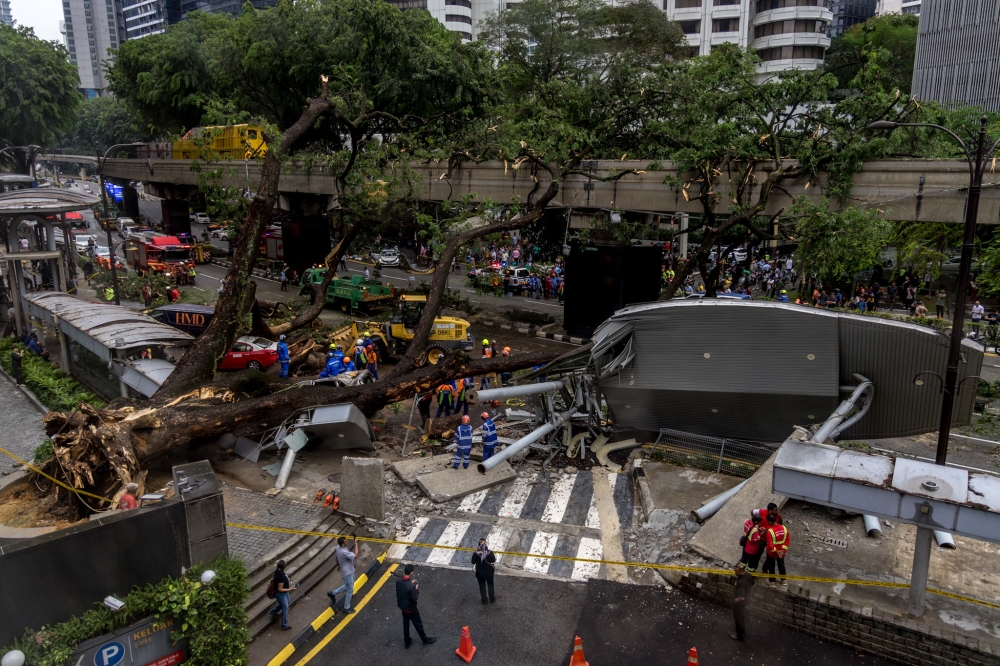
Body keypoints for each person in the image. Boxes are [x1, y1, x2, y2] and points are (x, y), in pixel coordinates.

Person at [395, 564, 436, 649]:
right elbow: (415, 597)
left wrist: (410, 584)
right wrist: (416, 589)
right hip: (411, 609)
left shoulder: (398, 581)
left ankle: (407, 642)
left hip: (403, 607)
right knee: (418, 624)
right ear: (411, 572)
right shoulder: (410, 587)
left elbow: (404, 588)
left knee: (405, 624)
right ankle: (425, 639)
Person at [327, 537, 358, 614]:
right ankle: (347, 608)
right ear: (343, 543)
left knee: (349, 585)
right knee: (349, 590)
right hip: (348, 573)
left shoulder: (338, 548)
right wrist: (356, 543)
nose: (347, 540)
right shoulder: (344, 552)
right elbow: (356, 555)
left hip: (349, 570)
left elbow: (337, 557)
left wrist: (339, 565)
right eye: (345, 540)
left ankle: (333, 593)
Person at [269, 560, 297, 630]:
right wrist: (290, 589)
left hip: (284, 593)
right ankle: (284, 625)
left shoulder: (277, 571)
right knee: (285, 608)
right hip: (281, 594)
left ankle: (273, 611)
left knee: (286, 603)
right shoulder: (281, 577)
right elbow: (280, 589)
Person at [730, 562, 755, 641]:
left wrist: (734, 601)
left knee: (738, 618)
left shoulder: (741, 582)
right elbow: (754, 584)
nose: (735, 572)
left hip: (740, 603)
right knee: (741, 616)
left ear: (741, 571)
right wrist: (749, 593)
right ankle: (742, 631)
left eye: (736, 571)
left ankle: (739, 636)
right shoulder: (748, 575)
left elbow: (741, 597)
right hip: (747, 599)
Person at [762, 520, 790, 587]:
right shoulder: (784, 528)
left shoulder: (770, 531)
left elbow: (770, 545)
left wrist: (776, 551)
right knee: (781, 565)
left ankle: (772, 581)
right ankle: (784, 580)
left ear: (771, 522)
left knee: (771, 566)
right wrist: (782, 550)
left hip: (772, 553)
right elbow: (787, 540)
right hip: (781, 553)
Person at [471, 538, 497, 605]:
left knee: (482, 586)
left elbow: (472, 562)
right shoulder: (489, 553)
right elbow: (493, 560)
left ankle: (484, 600)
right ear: (485, 544)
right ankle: (492, 599)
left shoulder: (476, 553)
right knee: (490, 585)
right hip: (489, 573)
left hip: (480, 573)